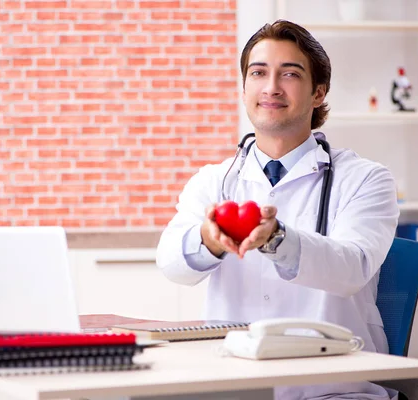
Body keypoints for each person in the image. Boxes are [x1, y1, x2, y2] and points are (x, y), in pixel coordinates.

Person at [156, 20, 400, 400]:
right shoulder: (214, 181)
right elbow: (172, 264)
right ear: (243, 89)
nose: (271, 87)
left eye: (290, 73)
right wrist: (208, 239)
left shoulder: (366, 179)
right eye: (258, 72)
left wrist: (277, 238)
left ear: (318, 92)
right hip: (236, 384)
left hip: (333, 388)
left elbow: (353, 267)